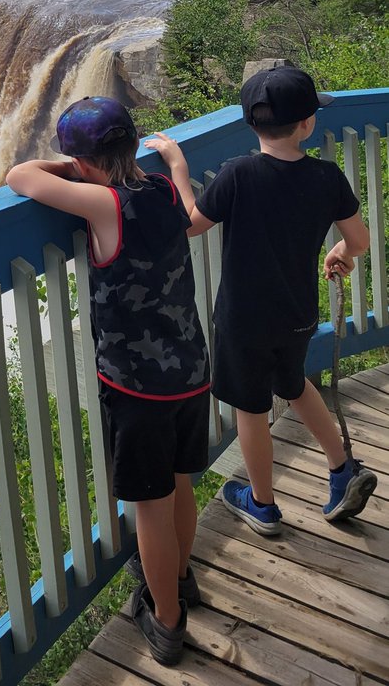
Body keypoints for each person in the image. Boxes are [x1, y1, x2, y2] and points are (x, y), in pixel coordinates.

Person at [6, 97, 210, 667]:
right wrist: (177, 167)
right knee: (181, 483)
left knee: (150, 504)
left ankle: (167, 620)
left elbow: (18, 176)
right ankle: (182, 576)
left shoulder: (102, 205)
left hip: (136, 387)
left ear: (84, 161)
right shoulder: (165, 193)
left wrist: (67, 170)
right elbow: (192, 219)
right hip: (191, 371)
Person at [148, 65, 376, 538]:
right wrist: (340, 252)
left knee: (251, 409)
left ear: (250, 125)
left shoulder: (238, 175)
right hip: (296, 315)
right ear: (308, 124)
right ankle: (342, 469)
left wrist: (177, 167)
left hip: (242, 320)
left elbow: (190, 224)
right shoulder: (327, 177)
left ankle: (263, 504)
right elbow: (359, 240)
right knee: (293, 384)